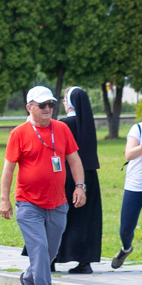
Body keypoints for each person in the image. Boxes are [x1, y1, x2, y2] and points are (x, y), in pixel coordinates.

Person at [0, 86, 86, 285]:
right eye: (42, 105)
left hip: (58, 203)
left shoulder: (62, 128)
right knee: (39, 249)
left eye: (51, 104)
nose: (48, 109)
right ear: (30, 107)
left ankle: (28, 278)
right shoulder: (18, 133)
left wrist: (80, 186)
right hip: (28, 203)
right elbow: (8, 169)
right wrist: (4, 199)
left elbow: (74, 160)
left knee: (50, 253)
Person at [53, 87, 101, 273]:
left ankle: (52, 257)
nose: (64, 103)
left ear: (71, 102)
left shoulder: (63, 124)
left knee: (58, 215)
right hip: (89, 176)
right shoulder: (88, 123)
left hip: (67, 175)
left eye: (65, 99)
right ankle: (84, 261)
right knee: (85, 218)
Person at [113, 101, 142, 272]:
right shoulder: (138, 129)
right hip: (136, 183)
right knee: (126, 227)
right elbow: (128, 154)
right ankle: (126, 248)